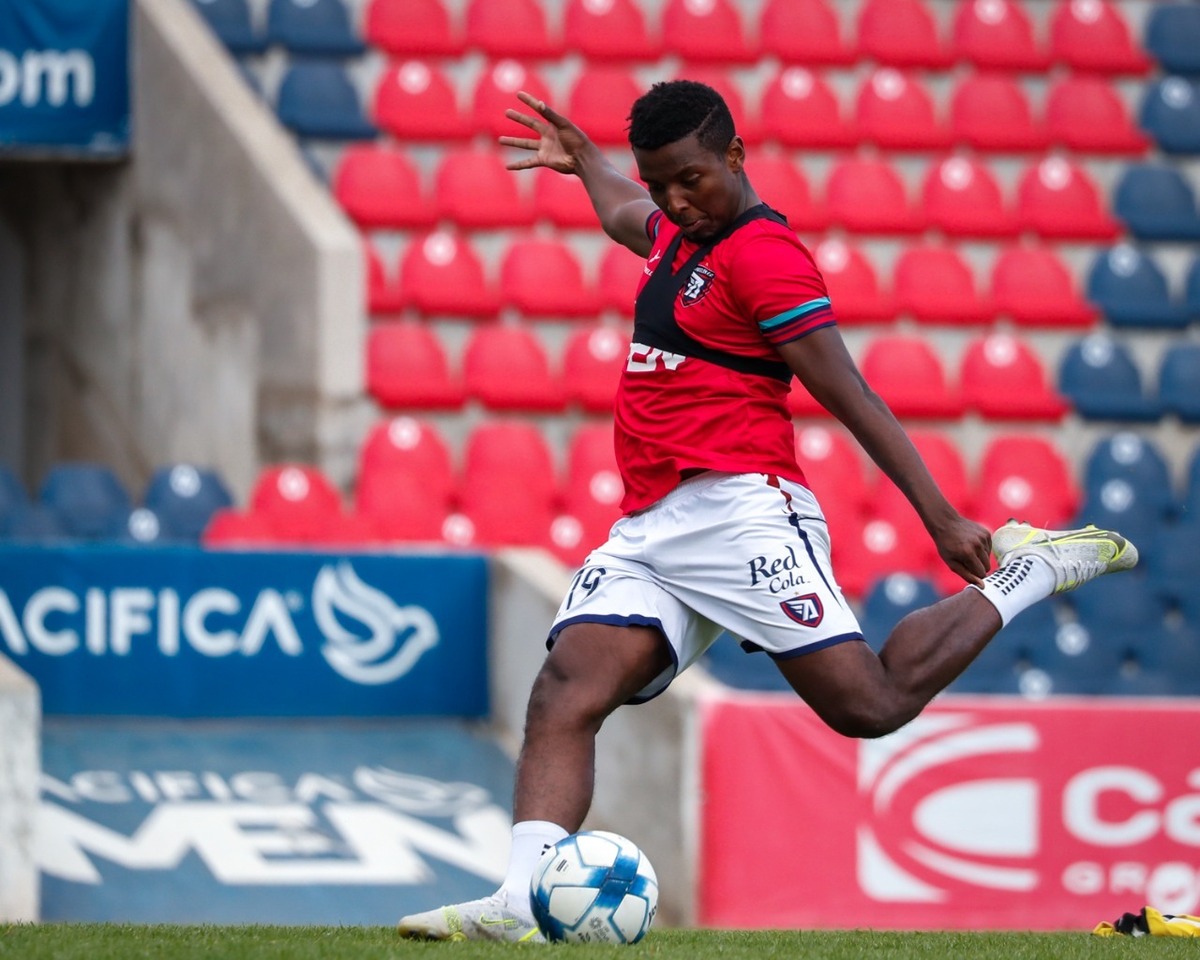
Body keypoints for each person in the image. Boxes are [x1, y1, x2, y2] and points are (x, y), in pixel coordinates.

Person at [397, 80, 1138, 943]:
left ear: (735, 156)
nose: (676, 200)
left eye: (690, 179)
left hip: (743, 510)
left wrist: (938, 516)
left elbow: (850, 393)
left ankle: (1030, 572)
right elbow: (625, 212)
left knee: (869, 705)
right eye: (662, 183)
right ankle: (521, 902)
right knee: (567, 686)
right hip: (651, 525)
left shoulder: (764, 256)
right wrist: (587, 162)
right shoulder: (678, 230)